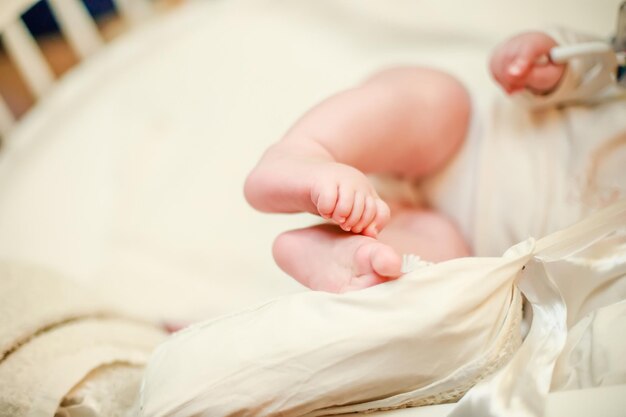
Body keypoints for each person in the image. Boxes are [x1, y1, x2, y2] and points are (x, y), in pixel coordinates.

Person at [244, 28, 626, 293]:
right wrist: (552, 63)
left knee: (446, 278)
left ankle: (342, 254)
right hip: (469, 141)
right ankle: (307, 151)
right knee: (439, 99)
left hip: (477, 247)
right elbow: (609, 59)